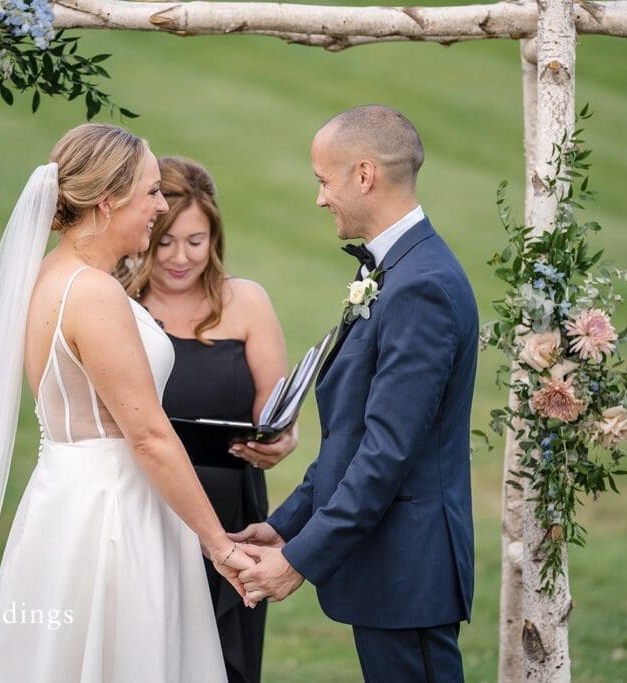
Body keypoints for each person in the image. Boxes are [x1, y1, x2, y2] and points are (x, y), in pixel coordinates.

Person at [0, 123, 256, 683]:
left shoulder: (54, 273)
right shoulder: (91, 293)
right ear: (107, 201)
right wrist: (219, 546)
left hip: (67, 499)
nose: (160, 205)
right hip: (113, 514)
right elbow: (147, 434)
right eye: (150, 192)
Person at [233, 105, 478, 682]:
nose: (320, 198)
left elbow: (385, 454)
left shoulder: (422, 288)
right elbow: (353, 434)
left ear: (364, 175)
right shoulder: (399, 270)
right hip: (389, 568)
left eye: (324, 180)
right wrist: (286, 523)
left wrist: (297, 560)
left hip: (408, 573)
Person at [123, 156, 297, 683]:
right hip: (143, 501)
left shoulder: (246, 303)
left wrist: (282, 440)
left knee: (227, 659)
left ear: (214, 238)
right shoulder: (118, 303)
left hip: (232, 508)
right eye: (167, 242)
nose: (180, 258)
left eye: (195, 242)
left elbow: (278, 411)